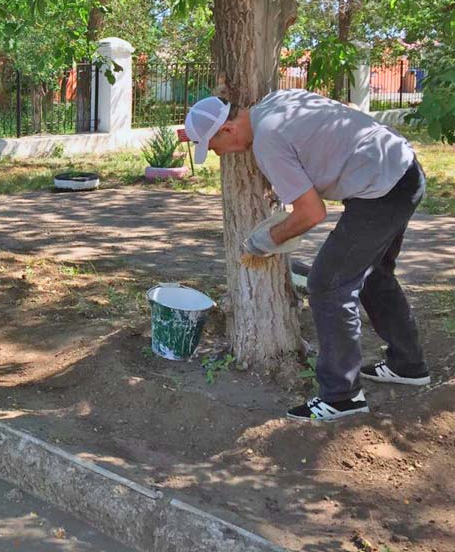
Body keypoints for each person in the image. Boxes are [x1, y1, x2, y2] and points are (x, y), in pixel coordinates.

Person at [184, 89, 429, 422]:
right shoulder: (274, 103)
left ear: (227, 130)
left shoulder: (268, 140)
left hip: (382, 190)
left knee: (328, 284)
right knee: (374, 274)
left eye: (214, 147)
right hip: (402, 168)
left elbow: (312, 213)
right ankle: (408, 366)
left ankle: (342, 397)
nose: (218, 155)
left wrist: (266, 240)